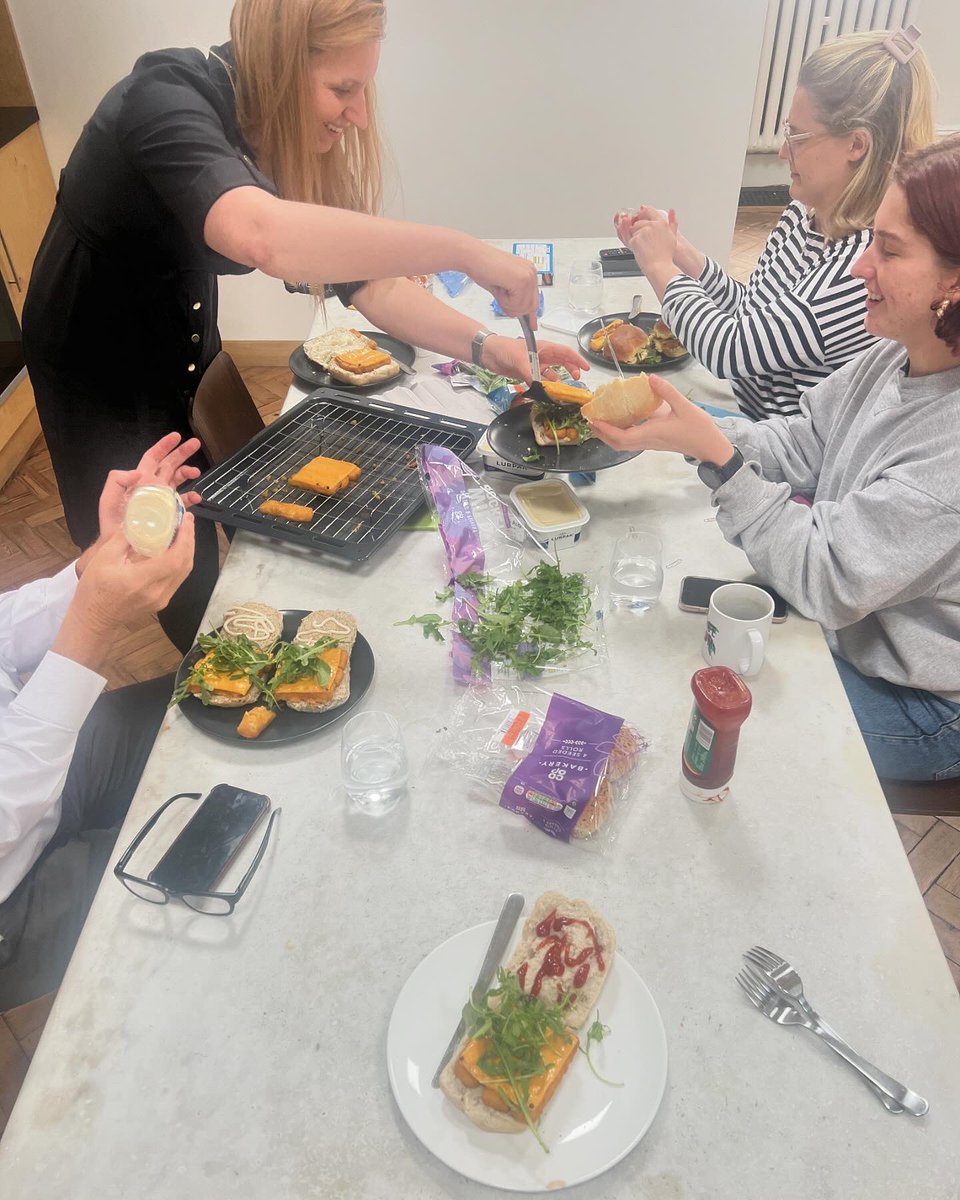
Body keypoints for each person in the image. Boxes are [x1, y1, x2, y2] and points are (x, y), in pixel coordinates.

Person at [22, 0, 586, 655]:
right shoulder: (162, 101)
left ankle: (231, 638)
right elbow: (262, 235)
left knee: (194, 502)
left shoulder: (279, 129)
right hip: (94, 358)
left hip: (172, 325)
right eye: (342, 90)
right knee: (157, 552)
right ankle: (213, 664)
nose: (360, 114)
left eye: (364, 88)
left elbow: (371, 284)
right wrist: (462, 249)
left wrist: (490, 349)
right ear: (278, 68)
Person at [590, 134, 960, 783]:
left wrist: (722, 461)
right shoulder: (895, 350)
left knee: (712, 719)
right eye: (870, 239)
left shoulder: (948, 454)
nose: (858, 269)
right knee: (682, 653)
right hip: (854, 622)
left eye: (890, 250)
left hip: (919, 698)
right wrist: (693, 434)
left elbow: (823, 576)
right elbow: (801, 442)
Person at [614, 29, 934, 421]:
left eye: (796, 136)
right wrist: (683, 253)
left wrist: (661, 268)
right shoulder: (802, 214)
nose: (784, 151)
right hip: (744, 408)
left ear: (856, 145)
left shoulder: (859, 269)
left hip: (778, 450)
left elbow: (729, 350)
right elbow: (753, 312)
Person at [0, 434, 199, 1009]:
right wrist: (96, 617)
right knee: (203, 887)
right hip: (17, 896)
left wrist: (99, 560)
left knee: (207, 705)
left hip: (39, 761)